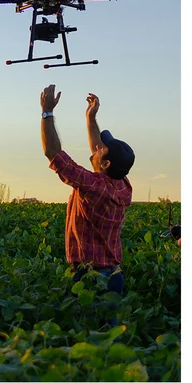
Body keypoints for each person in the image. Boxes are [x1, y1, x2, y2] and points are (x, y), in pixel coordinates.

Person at [40, 85, 135, 296]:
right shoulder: (123, 186)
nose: (98, 147)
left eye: (103, 148)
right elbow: (96, 153)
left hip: (90, 277)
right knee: (108, 329)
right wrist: (90, 118)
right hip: (113, 276)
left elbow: (52, 152)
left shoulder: (94, 186)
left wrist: (47, 112)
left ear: (106, 164)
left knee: (81, 327)